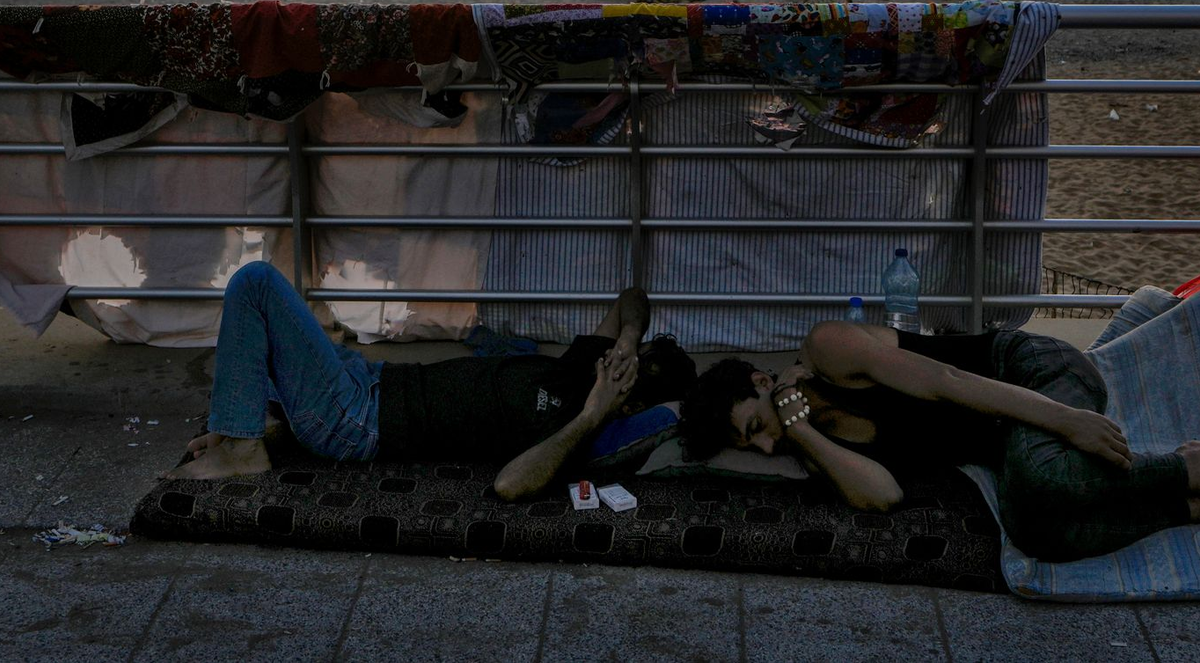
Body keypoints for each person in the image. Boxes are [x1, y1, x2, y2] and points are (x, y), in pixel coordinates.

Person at [680, 318, 1200, 562]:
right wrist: (798, 431)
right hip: (1011, 443)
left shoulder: (828, 350)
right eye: (754, 449)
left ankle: (1184, 468)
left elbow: (947, 380)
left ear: (762, 382)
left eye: (756, 428)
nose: (768, 448)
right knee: (1037, 535)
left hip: (1027, 374)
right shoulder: (808, 446)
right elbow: (883, 495)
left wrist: (1066, 419)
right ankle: (1183, 507)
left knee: (1043, 480)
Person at [165, 262, 695, 500]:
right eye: (626, 359)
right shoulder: (590, 364)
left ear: (627, 404)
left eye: (627, 374)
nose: (615, 367)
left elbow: (511, 485)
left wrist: (594, 411)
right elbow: (632, 296)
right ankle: (265, 429)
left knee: (255, 284)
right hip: (370, 378)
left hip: (357, 420)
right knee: (280, 338)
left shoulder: (570, 428)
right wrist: (626, 339)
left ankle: (244, 448)